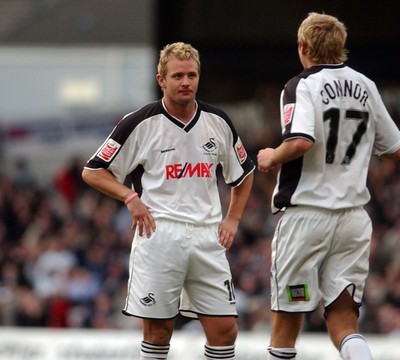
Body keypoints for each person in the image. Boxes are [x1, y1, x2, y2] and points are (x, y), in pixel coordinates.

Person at [82, 42, 254, 360]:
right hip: (160, 234)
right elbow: (93, 171)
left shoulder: (218, 121)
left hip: (207, 235)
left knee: (225, 330)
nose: (185, 82)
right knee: (159, 331)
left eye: (191, 75)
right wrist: (130, 197)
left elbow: (243, 175)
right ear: (161, 79)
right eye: (177, 76)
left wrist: (232, 219)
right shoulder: (139, 122)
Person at [257, 12, 400, 360]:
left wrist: (272, 156)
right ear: (341, 47)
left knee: (287, 323)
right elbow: (394, 147)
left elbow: (301, 141)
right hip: (352, 218)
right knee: (344, 319)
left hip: (307, 217)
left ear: (303, 47)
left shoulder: (300, 85)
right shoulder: (366, 84)